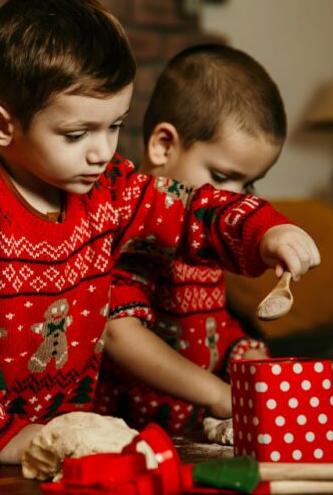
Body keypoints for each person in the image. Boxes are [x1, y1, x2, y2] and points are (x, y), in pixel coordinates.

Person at [0, 0, 319, 465]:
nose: (102, 151)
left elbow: (187, 209)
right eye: (76, 134)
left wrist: (262, 230)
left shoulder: (111, 187)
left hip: (66, 441)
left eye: (114, 126)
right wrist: (7, 438)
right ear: (2, 126)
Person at [95, 44, 291, 435]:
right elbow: (118, 333)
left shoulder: (204, 243)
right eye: (221, 177)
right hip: (128, 434)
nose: (238, 198)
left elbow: (211, 327)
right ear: (164, 146)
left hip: (190, 431)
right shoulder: (132, 231)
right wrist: (218, 395)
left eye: (249, 183)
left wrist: (246, 356)